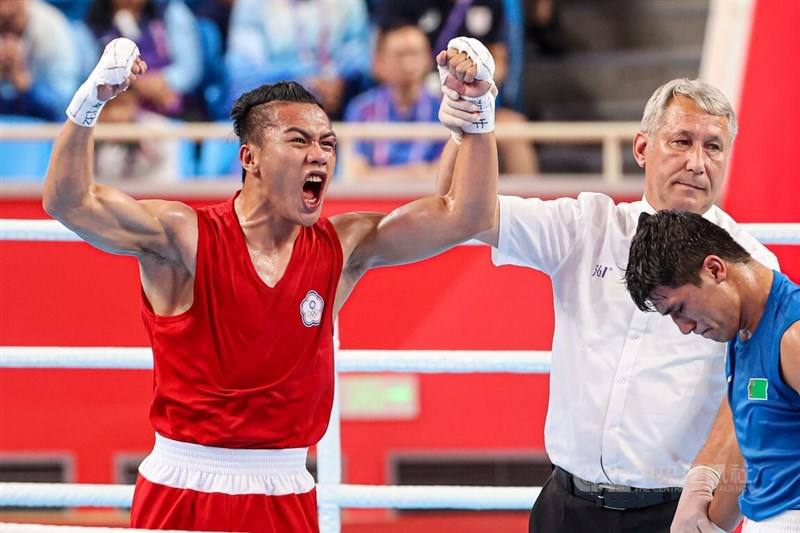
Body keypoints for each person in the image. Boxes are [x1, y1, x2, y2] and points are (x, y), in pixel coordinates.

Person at [43, 36, 499, 532]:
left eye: (327, 143)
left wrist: (475, 114)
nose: (320, 155)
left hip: (286, 487)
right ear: (250, 158)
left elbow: (465, 216)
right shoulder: (184, 236)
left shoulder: (343, 246)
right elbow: (69, 202)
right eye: (299, 141)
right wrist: (91, 101)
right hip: (184, 486)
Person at [443, 78, 780, 532]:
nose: (697, 163)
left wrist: (717, 510)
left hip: (676, 512)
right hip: (566, 505)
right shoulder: (588, 226)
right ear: (643, 147)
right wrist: (469, 121)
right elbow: (463, 212)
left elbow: (758, 397)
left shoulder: (752, 264)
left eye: (714, 147)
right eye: (681, 141)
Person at [625, 210, 800, 532]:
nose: (684, 327)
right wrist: (712, 525)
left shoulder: (792, 336)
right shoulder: (743, 331)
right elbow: (752, 448)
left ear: (715, 269)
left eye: (679, 309)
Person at [344, 23, 445, 180]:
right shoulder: (361, 109)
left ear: (428, 59)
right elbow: (355, 173)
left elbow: (444, 174)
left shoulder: (443, 110)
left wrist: (377, 175)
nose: (407, 63)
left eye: (414, 54)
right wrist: (417, 173)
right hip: (374, 199)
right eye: (399, 55)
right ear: (380, 62)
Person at [0, 0, 80, 121]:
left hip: (43, 127)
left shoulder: (51, 26)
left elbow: (65, 106)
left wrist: (25, 85)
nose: (5, 10)